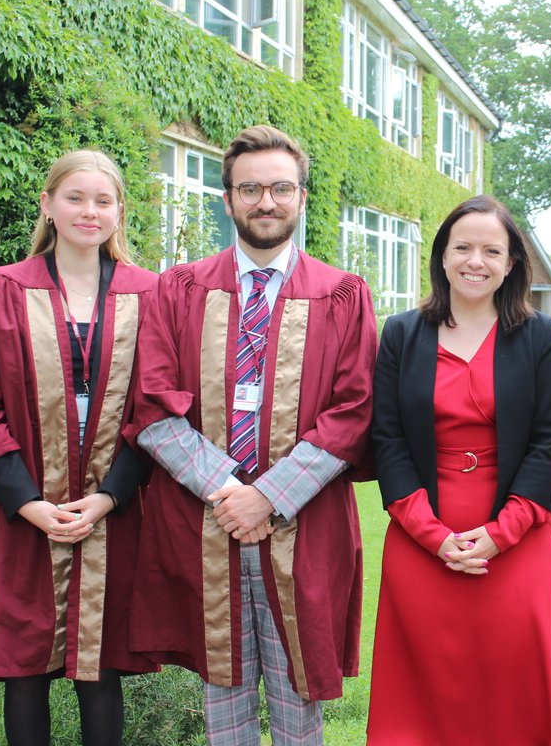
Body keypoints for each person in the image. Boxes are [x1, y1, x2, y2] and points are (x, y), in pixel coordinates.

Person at [125, 125, 377, 746]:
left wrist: (268, 496)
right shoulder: (179, 289)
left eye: (281, 188)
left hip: (303, 522)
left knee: (299, 693)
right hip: (206, 522)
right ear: (228, 198)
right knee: (223, 689)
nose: (267, 201)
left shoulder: (343, 295)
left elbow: (355, 410)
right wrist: (228, 492)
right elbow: (152, 405)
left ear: (301, 194)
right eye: (251, 189)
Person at [0, 150, 158, 745]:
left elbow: (158, 406)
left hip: (111, 503)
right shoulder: (0, 290)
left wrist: (110, 497)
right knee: (25, 669)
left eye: (103, 200)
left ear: (120, 212)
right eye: (75, 198)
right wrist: (27, 502)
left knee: (101, 668)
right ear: (47, 204)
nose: (88, 211)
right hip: (22, 501)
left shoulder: (153, 294)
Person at [367, 195, 551, 745]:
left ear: (511, 264)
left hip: (516, 537)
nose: (474, 261)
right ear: (441, 256)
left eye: (491, 250)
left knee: (514, 691)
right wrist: (432, 536)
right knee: (423, 700)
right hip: (421, 538)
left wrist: (500, 534)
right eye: (462, 247)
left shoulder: (537, 337)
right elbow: (387, 441)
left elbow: (547, 443)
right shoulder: (401, 333)